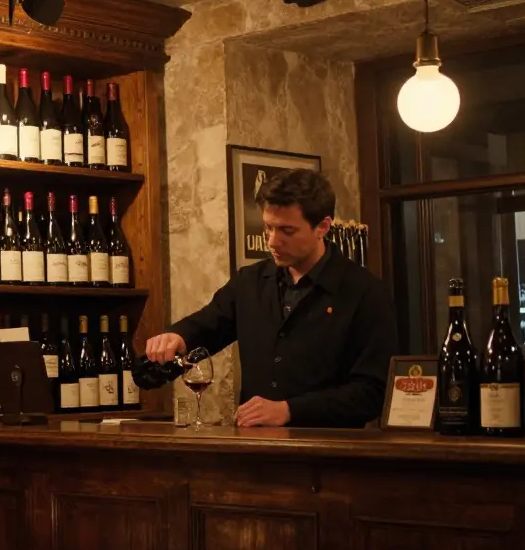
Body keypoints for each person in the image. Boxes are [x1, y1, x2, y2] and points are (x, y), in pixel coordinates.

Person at [145, 169, 396, 428]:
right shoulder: (249, 283)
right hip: (256, 454)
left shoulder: (365, 292)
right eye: (268, 228)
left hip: (329, 456)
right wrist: (176, 338)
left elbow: (373, 393)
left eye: (287, 230)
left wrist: (291, 411)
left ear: (322, 226)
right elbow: (208, 325)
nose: (273, 241)